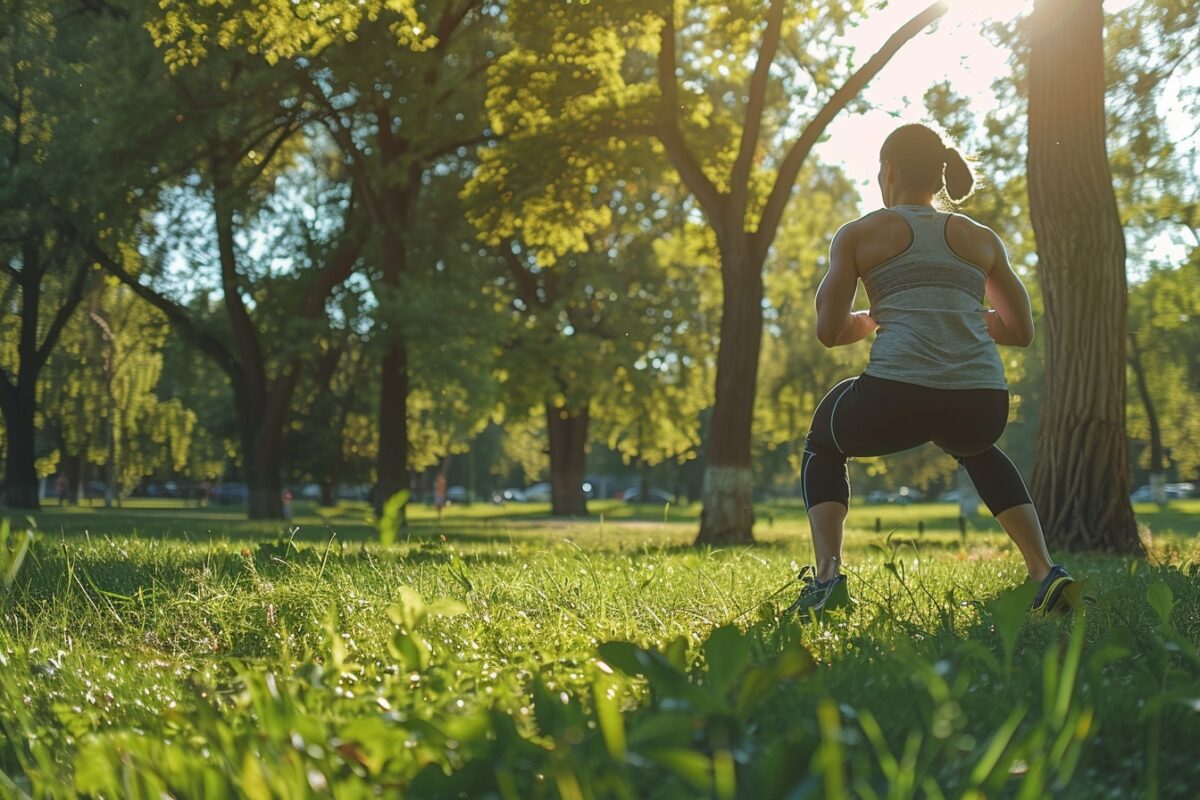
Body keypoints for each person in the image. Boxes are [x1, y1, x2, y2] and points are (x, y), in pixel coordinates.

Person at [787, 123, 1074, 618]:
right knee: (977, 449)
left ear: (889, 171)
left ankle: (828, 580)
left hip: (894, 397)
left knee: (823, 439)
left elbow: (830, 331)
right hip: (982, 400)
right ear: (939, 174)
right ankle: (1046, 572)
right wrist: (957, 316)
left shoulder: (859, 234)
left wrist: (872, 318)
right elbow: (1019, 329)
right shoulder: (980, 238)